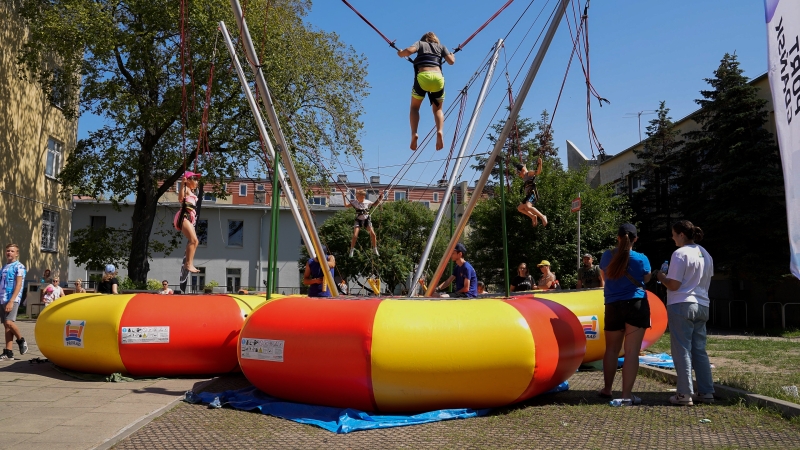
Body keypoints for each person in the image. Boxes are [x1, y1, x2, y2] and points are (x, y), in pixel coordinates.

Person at [656, 220, 715, 406]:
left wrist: (661, 277)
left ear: (681, 234)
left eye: (674, 234)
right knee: (699, 350)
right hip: (702, 304)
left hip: (681, 304)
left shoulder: (680, 254)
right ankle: (706, 392)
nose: (672, 237)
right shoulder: (706, 253)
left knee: (681, 349)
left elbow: (674, 284)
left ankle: (684, 393)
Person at [598, 223, 651, 405]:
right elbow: (646, 279)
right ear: (635, 239)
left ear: (617, 238)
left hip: (613, 305)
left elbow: (605, 275)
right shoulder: (641, 258)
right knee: (631, 352)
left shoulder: (607, 255)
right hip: (635, 305)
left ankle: (607, 389)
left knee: (611, 350)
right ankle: (627, 395)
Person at [397, 32, 456, 151]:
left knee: (414, 108)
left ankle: (414, 133)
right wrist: (452, 55)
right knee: (438, 109)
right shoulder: (441, 47)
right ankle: (439, 131)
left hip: (423, 77)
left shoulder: (420, 44)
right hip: (438, 79)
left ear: (424, 39)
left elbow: (408, 51)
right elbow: (451, 62)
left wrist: (400, 53)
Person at [1, 244, 28, 360]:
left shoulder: (19, 266)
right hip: (2, 298)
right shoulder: (4, 267)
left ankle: (21, 340)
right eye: (8, 251)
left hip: (12, 298)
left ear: (16, 253)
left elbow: (18, 284)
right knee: (6, 326)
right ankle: (8, 352)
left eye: (12, 251)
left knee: (9, 323)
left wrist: (12, 300)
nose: (9, 253)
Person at [173, 171, 201, 273]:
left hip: (188, 217)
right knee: (193, 240)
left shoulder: (191, 191)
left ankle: (189, 263)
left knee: (195, 241)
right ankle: (188, 264)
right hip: (183, 216)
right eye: (195, 179)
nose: (197, 182)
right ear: (188, 180)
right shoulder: (186, 189)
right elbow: (180, 198)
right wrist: (182, 184)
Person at [343, 190, 384, 257]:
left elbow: (375, 204)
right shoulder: (355, 202)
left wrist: (380, 198)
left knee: (373, 234)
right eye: (356, 196)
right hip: (358, 220)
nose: (356, 197)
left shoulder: (367, 202)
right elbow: (346, 205)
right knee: (355, 235)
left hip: (366, 220)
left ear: (362, 196)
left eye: (357, 196)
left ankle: (375, 248)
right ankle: (352, 249)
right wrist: (344, 197)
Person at [516, 159, 548, 227]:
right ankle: (533, 216)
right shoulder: (524, 177)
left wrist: (540, 164)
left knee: (528, 206)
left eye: (519, 173)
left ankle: (542, 216)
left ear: (522, 170)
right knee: (520, 208)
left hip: (532, 193)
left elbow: (538, 172)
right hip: (528, 195)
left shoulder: (529, 173)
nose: (519, 176)